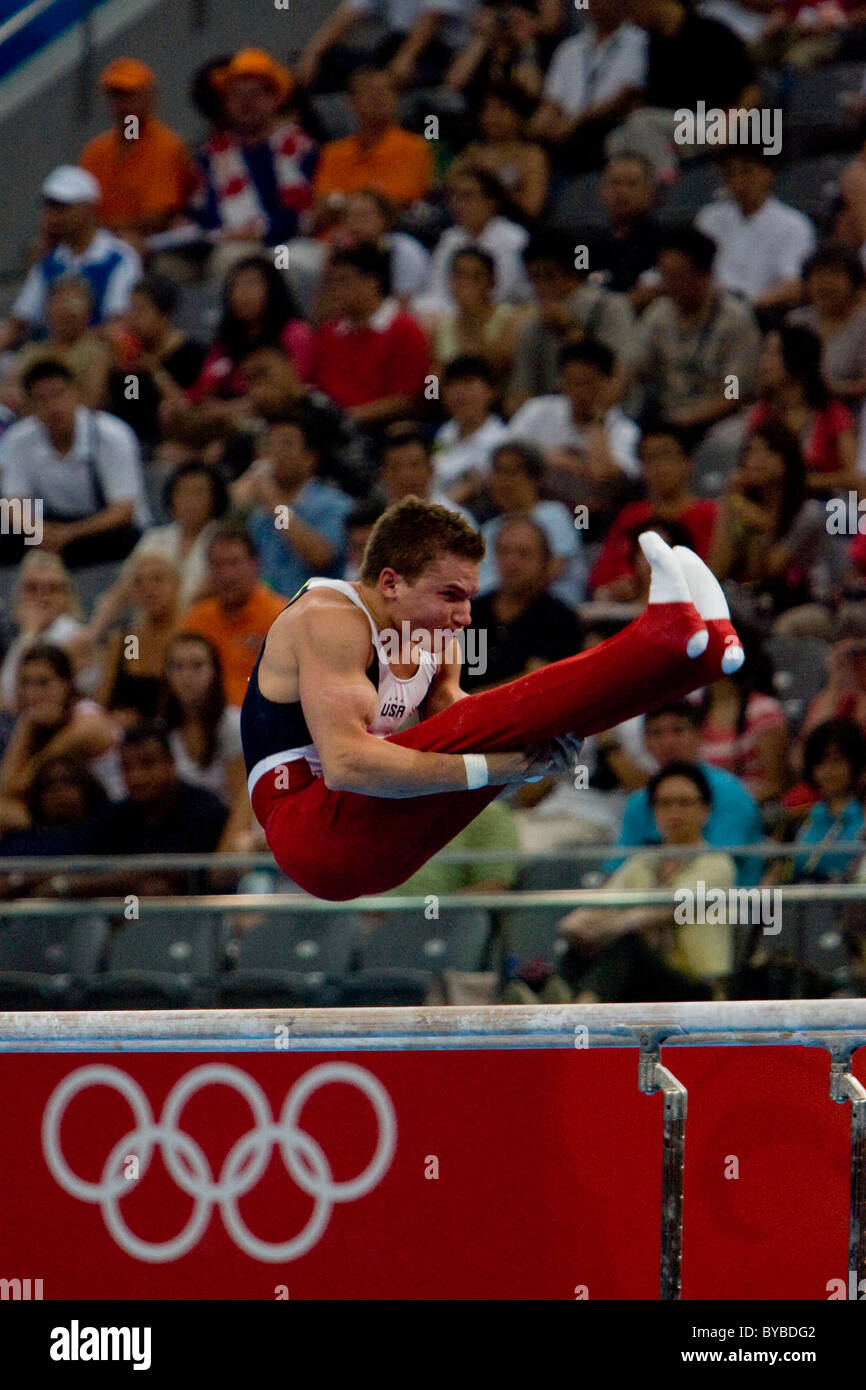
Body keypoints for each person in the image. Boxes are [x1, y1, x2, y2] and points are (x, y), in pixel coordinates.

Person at [240, 496, 744, 900]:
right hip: (310, 833)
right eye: (451, 595)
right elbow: (348, 764)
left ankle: (696, 662)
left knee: (525, 727)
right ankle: (656, 637)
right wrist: (498, 770)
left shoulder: (436, 634)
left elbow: (464, 725)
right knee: (496, 734)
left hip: (381, 845)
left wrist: (528, 751)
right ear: (390, 582)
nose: (465, 615)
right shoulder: (328, 619)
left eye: (469, 595)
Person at [555, 763, 737, 1001]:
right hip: (641, 978)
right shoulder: (642, 862)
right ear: (653, 811)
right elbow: (599, 905)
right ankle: (570, 1000)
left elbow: (668, 909)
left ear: (706, 809)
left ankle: (581, 1011)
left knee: (625, 944)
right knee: (577, 948)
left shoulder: (717, 863)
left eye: (684, 803)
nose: (674, 812)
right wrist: (574, 926)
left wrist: (611, 927)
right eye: (665, 803)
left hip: (694, 985)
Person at [0, 358, 150, 567]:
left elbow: (123, 510)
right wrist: (38, 530)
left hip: (102, 527)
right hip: (50, 524)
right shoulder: (18, 439)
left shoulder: (112, 435)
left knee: (125, 540)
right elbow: (13, 503)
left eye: (58, 394)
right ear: (30, 405)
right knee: (6, 532)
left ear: (76, 393)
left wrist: (69, 533)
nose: (52, 406)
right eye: (41, 399)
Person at [604, 699, 763, 881]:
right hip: (649, 900)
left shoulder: (731, 795)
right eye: (657, 733)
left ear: (699, 735)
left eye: (678, 730)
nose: (668, 742)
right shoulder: (639, 802)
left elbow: (721, 868)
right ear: (646, 743)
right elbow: (617, 869)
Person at [633, 226, 762, 439]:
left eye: (677, 277)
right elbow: (632, 364)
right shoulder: (660, 312)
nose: (668, 286)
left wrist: (684, 422)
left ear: (705, 276)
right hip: (667, 416)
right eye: (664, 276)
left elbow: (733, 393)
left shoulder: (736, 321)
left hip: (717, 420)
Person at [193, 49, 317, 266]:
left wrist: (259, 232)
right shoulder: (211, 156)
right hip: (231, 246)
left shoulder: (300, 146)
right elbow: (203, 215)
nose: (246, 103)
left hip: (290, 243)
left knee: (287, 263)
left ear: (274, 99)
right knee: (233, 260)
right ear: (226, 103)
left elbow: (303, 213)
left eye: (255, 95)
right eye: (238, 96)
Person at [504, 337, 641, 533]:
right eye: (572, 382)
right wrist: (551, 457)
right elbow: (503, 452)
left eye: (588, 383)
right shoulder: (538, 409)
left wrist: (598, 421)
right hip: (537, 507)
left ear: (608, 383)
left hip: (588, 517)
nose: (579, 392)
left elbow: (601, 474)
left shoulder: (625, 430)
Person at [0, 166, 141, 350]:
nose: (54, 215)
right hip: (48, 356)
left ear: (88, 208)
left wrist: (68, 344)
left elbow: (118, 324)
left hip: (95, 353)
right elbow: (19, 321)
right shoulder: (48, 262)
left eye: (62, 207)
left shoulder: (120, 258)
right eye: (50, 207)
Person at [709, 422, 829, 635]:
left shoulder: (807, 513)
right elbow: (717, 571)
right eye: (751, 451)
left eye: (769, 451)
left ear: (788, 460)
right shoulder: (742, 507)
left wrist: (753, 518)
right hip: (757, 600)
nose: (756, 460)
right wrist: (729, 506)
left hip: (804, 603)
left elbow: (771, 569)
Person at [506, 229, 636, 413]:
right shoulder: (532, 326)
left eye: (549, 275)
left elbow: (619, 375)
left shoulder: (610, 307)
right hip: (551, 419)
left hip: (607, 414)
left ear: (572, 272)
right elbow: (522, 390)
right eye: (535, 277)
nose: (542, 286)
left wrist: (569, 330)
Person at [78, 57, 197, 244]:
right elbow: (79, 208)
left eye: (129, 95)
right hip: (101, 239)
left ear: (149, 97)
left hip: (153, 242)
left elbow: (155, 220)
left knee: (129, 242)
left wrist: (103, 229)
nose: (121, 105)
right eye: (114, 96)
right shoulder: (97, 150)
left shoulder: (165, 146)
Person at [589, 425, 718, 597]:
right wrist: (617, 589)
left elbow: (711, 577)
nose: (658, 466)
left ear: (688, 461)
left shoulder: (710, 514)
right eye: (649, 458)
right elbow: (600, 580)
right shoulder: (630, 516)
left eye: (666, 456)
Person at [308, 244, 430, 426]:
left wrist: (346, 419)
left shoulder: (405, 330)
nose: (336, 290)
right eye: (332, 282)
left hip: (380, 429)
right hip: (332, 426)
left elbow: (407, 400)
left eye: (344, 281)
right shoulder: (328, 333)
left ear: (372, 281)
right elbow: (318, 387)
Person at [0, 644, 118, 830]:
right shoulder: (36, 718)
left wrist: (28, 726)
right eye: (26, 683)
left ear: (66, 683)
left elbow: (19, 785)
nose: (32, 693)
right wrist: (27, 722)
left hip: (109, 814)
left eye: (43, 683)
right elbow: (6, 788)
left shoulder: (86, 724)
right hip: (68, 810)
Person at [234, 415, 353, 598]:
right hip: (268, 616)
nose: (276, 453)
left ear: (310, 457)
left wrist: (274, 502)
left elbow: (319, 556)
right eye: (270, 445)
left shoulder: (335, 505)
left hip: (317, 611)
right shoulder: (259, 516)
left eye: (287, 444)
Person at [460, 517, 585, 691]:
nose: (512, 562)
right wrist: (523, 677)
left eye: (524, 554)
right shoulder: (471, 613)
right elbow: (461, 682)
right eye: (504, 552)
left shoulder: (560, 619)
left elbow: (552, 685)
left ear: (544, 561)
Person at [159, 632, 253, 850]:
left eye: (197, 666)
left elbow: (243, 803)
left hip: (227, 832)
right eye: (177, 667)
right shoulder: (162, 730)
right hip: (181, 835)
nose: (187, 676)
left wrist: (221, 859)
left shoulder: (232, 724)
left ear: (215, 672)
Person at [528, 0, 648, 171]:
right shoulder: (570, 48)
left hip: (609, 123)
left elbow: (626, 94)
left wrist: (576, 121)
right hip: (567, 129)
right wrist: (538, 126)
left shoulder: (638, 39)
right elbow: (552, 101)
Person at [694, 149, 816, 315]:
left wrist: (747, 307)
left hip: (760, 314)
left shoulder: (793, 224)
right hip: (706, 314)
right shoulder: (709, 218)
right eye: (730, 174)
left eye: (746, 172)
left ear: (769, 173)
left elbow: (795, 285)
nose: (737, 182)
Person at [186, 256, 312, 410]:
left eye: (250, 284)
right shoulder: (226, 339)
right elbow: (202, 389)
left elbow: (293, 390)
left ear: (273, 289)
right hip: (225, 415)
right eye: (235, 286)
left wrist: (227, 409)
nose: (241, 293)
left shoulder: (295, 332)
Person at [747, 323, 858, 495]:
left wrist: (798, 481)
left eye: (772, 355)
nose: (763, 364)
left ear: (796, 358)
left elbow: (853, 476)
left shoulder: (832, 413)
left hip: (824, 505)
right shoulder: (762, 413)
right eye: (764, 353)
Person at [181, 523, 286, 705]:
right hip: (207, 720)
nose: (227, 574)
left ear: (255, 565)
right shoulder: (196, 619)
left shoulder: (283, 616)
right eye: (218, 565)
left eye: (234, 563)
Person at [476, 442, 585, 607]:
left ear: (535, 478)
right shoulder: (490, 528)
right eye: (497, 472)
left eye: (510, 473)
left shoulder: (554, 515)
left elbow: (550, 571)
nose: (501, 482)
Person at [416, 165, 532, 315]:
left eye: (467, 196)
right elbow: (436, 288)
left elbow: (501, 292)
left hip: (502, 313)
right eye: (454, 196)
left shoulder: (514, 238)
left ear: (491, 202)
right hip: (453, 313)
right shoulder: (450, 238)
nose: (457, 205)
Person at [312, 67, 434, 208]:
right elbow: (321, 204)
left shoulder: (415, 147)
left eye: (387, 90)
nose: (380, 96)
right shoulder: (332, 152)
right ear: (351, 102)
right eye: (369, 90)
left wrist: (340, 199)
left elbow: (397, 201)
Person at [106, 276, 207, 444]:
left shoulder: (193, 353)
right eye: (131, 310)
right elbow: (131, 404)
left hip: (176, 442)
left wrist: (155, 372)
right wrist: (123, 371)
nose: (132, 319)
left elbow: (190, 408)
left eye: (140, 311)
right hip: (136, 440)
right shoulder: (132, 354)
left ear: (165, 315)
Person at [697, 634, 787, 805]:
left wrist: (725, 807)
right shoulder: (695, 710)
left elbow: (774, 785)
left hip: (747, 810)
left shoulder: (763, 711)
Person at [97, 551, 180, 727]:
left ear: (176, 585)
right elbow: (102, 701)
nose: (148, 588)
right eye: (139, 582)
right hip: (123, 736)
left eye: (157, 579)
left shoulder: (187, 639)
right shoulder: (128, 641)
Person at [0, 552, 92, 710]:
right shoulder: (12, 633)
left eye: (53, 589)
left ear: (67, 596)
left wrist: (30, 634)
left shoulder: (75, 635)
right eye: (32, 588)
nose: (42, 596)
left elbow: (14, 697)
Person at [422, 247, 524, 386]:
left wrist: (473, 319)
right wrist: (432, 398)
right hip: (451, 402)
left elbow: (497, 370)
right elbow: (432, 378)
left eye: (476, 276)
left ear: (492, 282)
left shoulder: (510, 319)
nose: (466, 283)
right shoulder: (441, 326)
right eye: (459, 275)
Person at [9, 278, 112, 412]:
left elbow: (92, 402)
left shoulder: (100, 353)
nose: (66, 310)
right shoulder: (31, 352)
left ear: (88, 313)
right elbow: (10, 393)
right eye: (59, 302)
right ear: (46, 313)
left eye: (74, 304)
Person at [455, 81, 549, 220]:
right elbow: (451, 187)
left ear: (518, 115)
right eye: (486, 109)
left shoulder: (532, 155)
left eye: (501, 109)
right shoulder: (473, 151)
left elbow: (532, 209)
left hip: (514, 228)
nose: (491, 117)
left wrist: (495, 181)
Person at [786, 719, 866, 882]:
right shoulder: (799, 819)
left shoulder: (863, 821)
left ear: (855, 764)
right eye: (820, 763)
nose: (828, 771)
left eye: (837, 761)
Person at [788, 243, 866, 407]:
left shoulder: (862, 324)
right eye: (818, 275)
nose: (825, 283)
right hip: (795, 409)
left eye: (834, 274)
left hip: (848, 413)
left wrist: (829, 389)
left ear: (855, 282)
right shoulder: (796, 321)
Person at [583, 153, 663, 309]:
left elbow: (655, 290)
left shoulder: (666, 244)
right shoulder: (586, 245)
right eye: (614, 183)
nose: (621, 191)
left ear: (651, 193)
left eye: (631, 184)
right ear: (601, 191)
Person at [430, 353, 509, 504]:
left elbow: (475, 485)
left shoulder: (502, 441)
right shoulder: (445, 433)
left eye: (468, 382)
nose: (459, 392)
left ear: (491, 391)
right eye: (452, 384)